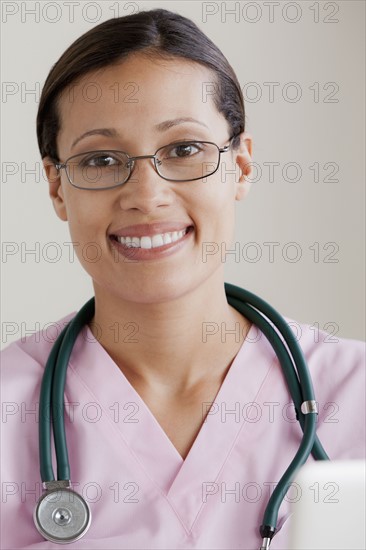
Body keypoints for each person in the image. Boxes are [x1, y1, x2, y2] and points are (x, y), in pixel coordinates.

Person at [1, 8, 365, 550]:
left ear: (240, 166)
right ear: (57, 188)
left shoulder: (354, 391)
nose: (147, 196)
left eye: (184, 150)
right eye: (101, 159)